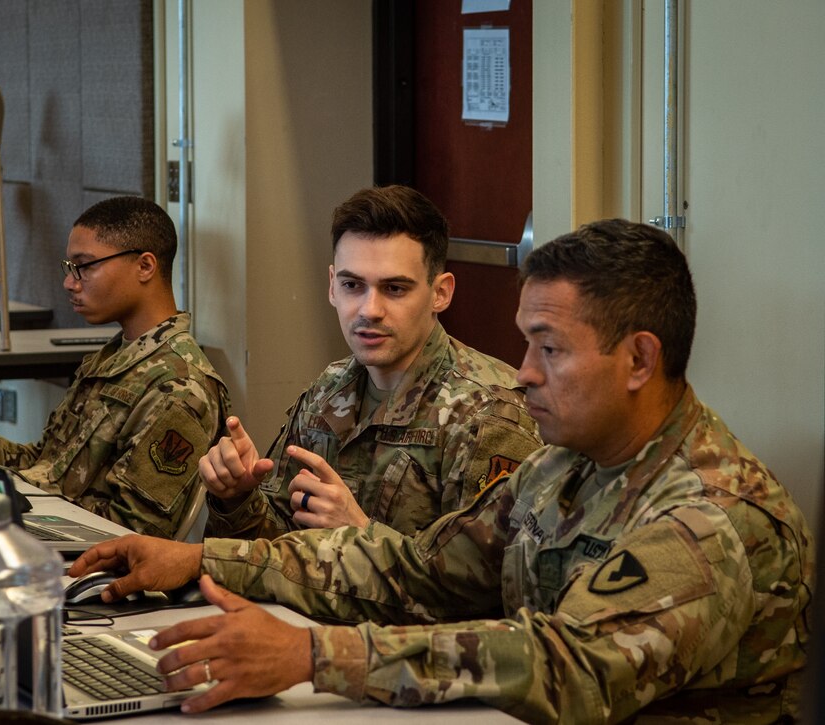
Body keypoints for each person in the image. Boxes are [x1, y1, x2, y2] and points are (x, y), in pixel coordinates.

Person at [71, 219, 814, 722]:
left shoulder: (712, 514)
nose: (522, 374)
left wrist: (309, 653)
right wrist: (199, 555)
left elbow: (573, 665)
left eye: (548, 349)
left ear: (640, 359)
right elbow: (415, 569)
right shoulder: (564, 466)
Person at [202, 185, 541, 539]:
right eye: (353, 285)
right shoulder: (328, 390)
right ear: (333, 286)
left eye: (395, 289)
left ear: (440, 293)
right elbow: (278, 546)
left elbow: (489, 582)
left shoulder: (489, 415)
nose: (369, 310)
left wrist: (362, 534)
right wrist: (237, 497)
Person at [0, 196, 229, 539]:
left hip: (81, 565)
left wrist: (14, 508)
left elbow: (133, 532)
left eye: (85, 266)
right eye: (70, 266)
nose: (70, 282)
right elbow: (43, 462)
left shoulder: (180, 387)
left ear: (145, 267)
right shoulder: (112, 358)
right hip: (39, 530)